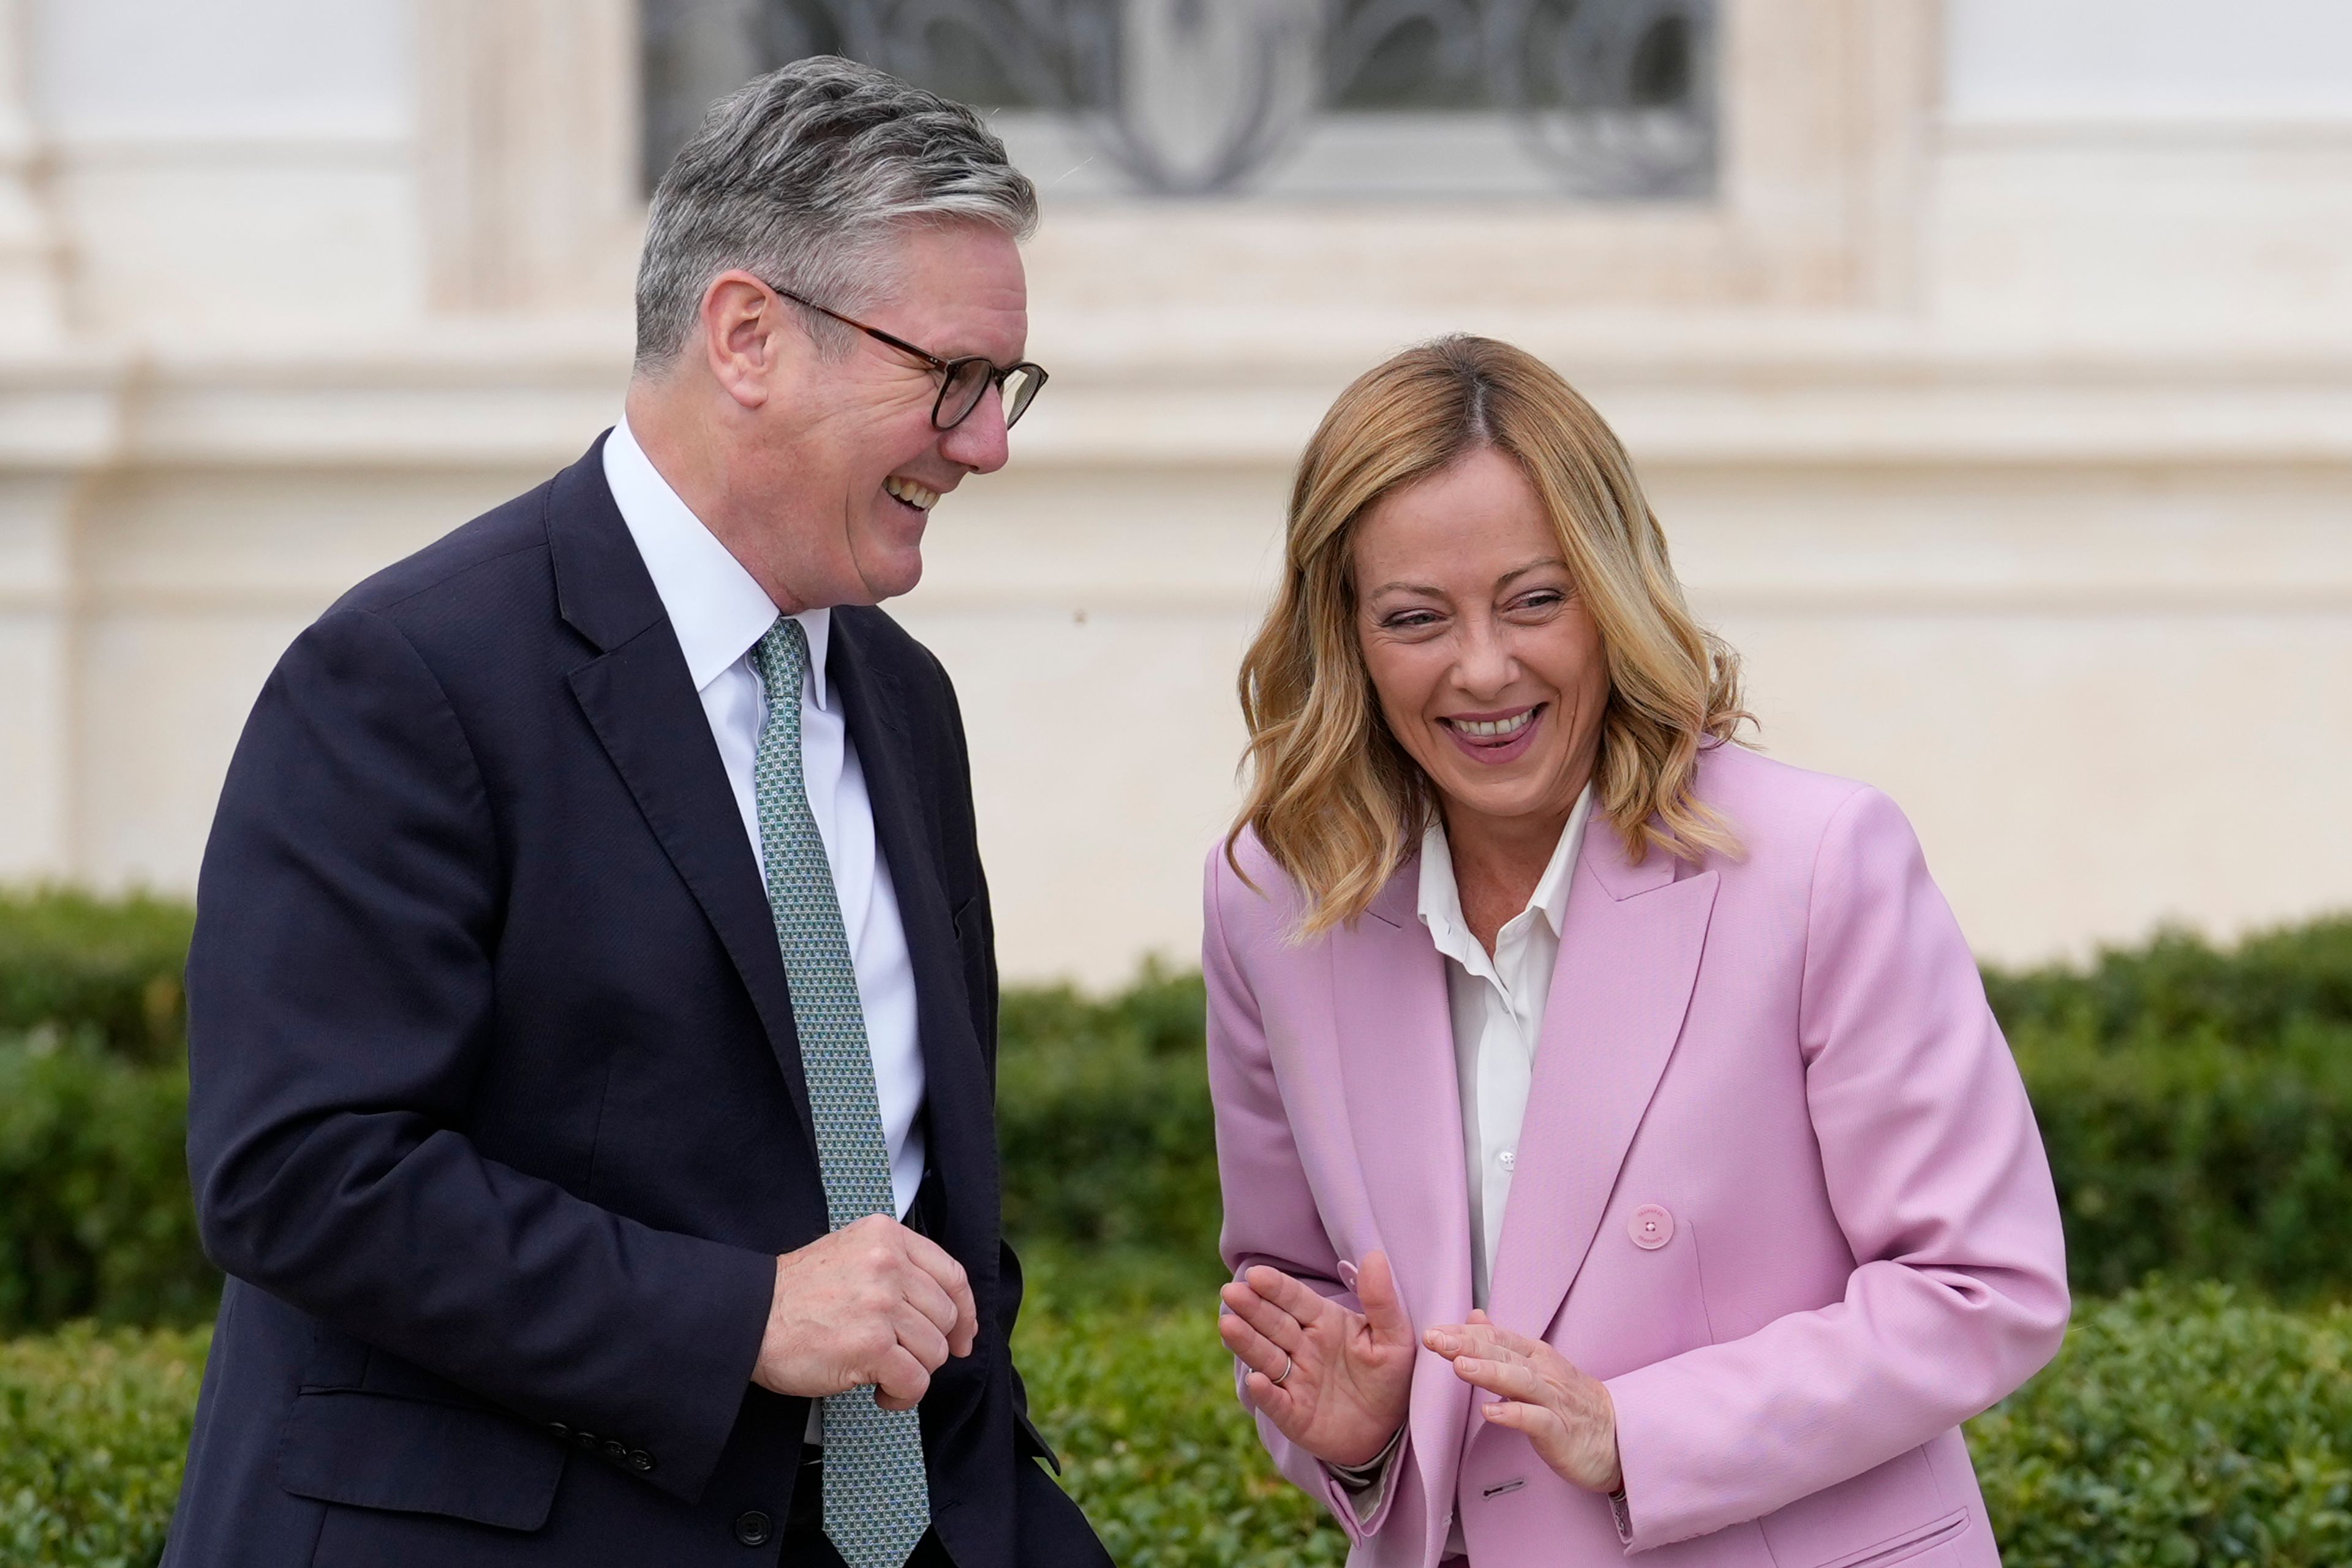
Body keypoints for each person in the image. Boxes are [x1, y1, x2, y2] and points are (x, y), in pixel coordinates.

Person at [165, 59, 1109, 1568]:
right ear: (747, 336)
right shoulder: (406, 674)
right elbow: (300, 1171)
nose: (985, 440)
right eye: (952, 377)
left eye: (1005, 387)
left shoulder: (903, 704)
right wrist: (744, 1312)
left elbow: (923, 1202)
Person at [1204, 335, 2069, 1567]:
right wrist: (1360, 1438)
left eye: (1535, 598)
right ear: (1343, 636)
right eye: (1415, 618)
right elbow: (1295, 1291)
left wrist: (1638, 1430)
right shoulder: (1274, 901)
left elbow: (1984, 1284)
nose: (1485, 667)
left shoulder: (1818, 858)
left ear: (1611, 589)